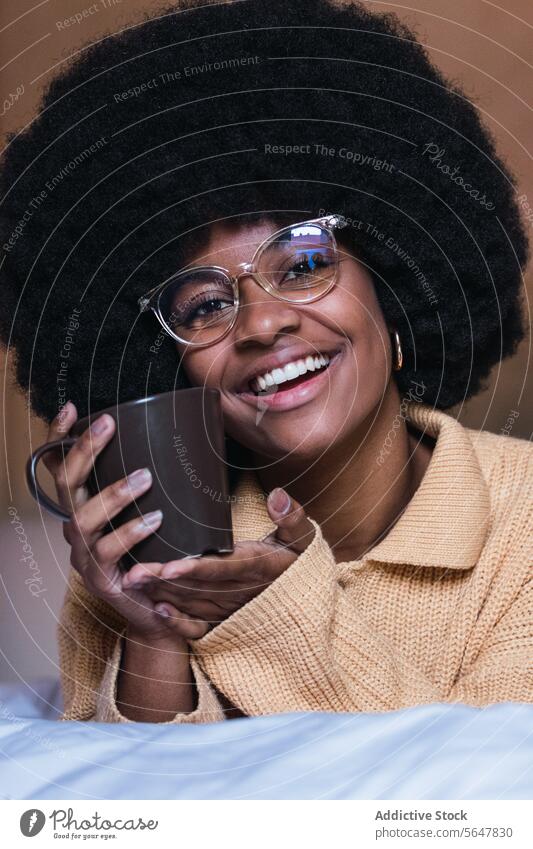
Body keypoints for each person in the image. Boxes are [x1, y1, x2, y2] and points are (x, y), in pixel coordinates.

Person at [0, 0, 531, 723]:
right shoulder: (165, 538)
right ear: (175, 367)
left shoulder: (521, 522)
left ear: (395, 298)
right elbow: (138, 812)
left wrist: (277, 610)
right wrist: (152, 624)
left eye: (303, 262)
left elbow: (483, 801)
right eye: (203, 306)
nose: (261, 321)